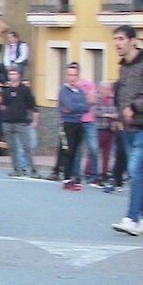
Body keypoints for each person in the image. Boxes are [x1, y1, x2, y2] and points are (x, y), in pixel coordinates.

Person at [111, 26, 143, 236]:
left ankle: (131, 218)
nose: (117, 43)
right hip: (127, 127)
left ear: (133, 41)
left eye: (121, 39)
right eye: (115, 39)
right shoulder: (123, 67)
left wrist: (135, 107)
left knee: (136, 171)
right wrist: (119, 116)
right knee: (139, 174)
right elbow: (122, 94)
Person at [0, 68, 39, 177]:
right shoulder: (7, 91)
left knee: (26, 147)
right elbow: (3, 105)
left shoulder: (25, 90)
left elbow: (33, 106)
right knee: (12, 148)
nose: (12, 76)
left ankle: (33, 170)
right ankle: (16, 169)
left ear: (19, 75)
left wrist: (35, 120)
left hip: (21, 122)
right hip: (8, 122)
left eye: (14, 73)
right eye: (10, 74)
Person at [57, 63, 90, 191]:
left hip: (78, 123)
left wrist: (76, 108)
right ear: (66, 76)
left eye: (74, 75)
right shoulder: (63, 91)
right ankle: (66, 179)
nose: (72, 78)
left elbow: (85, 106)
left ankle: (72, 177)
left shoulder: (80, 91)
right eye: (70, 75)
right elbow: (69, 105)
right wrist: (76, 108)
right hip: (67, 124)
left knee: (76, 151)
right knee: (68, 151)